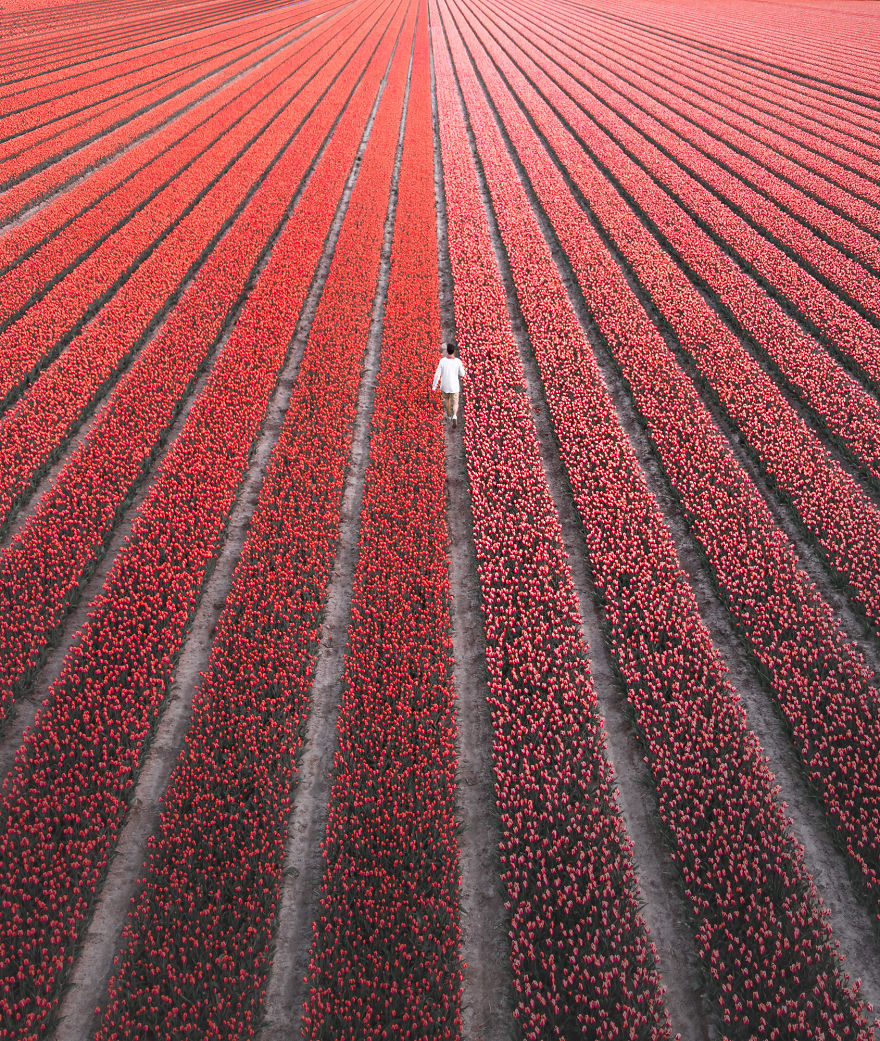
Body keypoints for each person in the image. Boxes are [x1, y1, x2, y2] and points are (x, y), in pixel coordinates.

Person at [432, 342, 466, 429]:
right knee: (455, 402)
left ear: (447, 351)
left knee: (446, 400)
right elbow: (462, 374)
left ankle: (449, 415)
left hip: (445, 386)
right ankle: (454, 415)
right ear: (454, 351)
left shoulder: (442, 361)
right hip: (454, 386)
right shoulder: (458, 361)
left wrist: (434, 386)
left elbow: (437, 374)